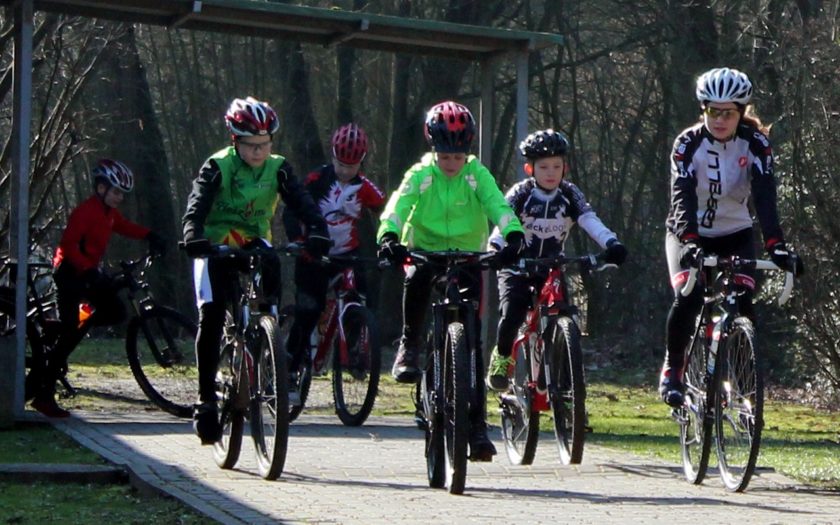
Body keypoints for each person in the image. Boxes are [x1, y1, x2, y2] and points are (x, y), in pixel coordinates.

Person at [376, 100, 526, 461]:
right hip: (426, 250)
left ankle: (476, 427)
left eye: (458, 157)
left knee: (471, 341)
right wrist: (389, 235)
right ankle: (410, 344)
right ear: (433, 149)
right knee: (416, 279)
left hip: (467, 255)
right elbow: (398, 204)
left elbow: (497, 205)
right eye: (445, 157)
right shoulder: (421, 173)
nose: (451, 164)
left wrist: (514, 234)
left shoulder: (476, 173)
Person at [182, 96, 330, 444]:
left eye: (264, 145)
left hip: (254, 242)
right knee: (213, 315)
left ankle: (268, 342)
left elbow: (301, 201)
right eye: (251, 146)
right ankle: (205, 399)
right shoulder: (218, 166)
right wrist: (192, 233)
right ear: (235, 141)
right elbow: (197, 203)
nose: (259, 152)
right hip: (216, 245)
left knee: (273, 268)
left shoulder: (278, 167)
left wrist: (318, 229)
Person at [661, 67, 804, 407]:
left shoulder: (755, 143)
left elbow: (765, 197)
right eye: (713, 111)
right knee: (689, 297)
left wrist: (777, 245)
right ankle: (674, 368)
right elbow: (681, 197)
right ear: (703, 110)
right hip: (688, 233)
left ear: (741, 112)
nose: (720, 120)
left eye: (728, 113)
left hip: (735, 232)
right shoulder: (687, 144)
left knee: (742, 305)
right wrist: (691, 241)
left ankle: (744, 393)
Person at [485, 129, 628, 392]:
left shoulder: (570, 194)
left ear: (565, 167)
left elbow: (589, 220)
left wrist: (611, 243)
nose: (550, 172)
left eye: (556, 166)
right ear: (530, 168)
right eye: (543, 167)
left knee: (564, 314)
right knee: (512, 313)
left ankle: (567, 387)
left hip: (552, 265)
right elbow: (503, 222)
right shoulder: (521, 193)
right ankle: (502, 357)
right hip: (517, 266)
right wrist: (496, 248)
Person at [27, 159, 167, 418]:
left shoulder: (108, 213)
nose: (119, 198)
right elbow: (68, 245)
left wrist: (149, 235)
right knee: (71, 331)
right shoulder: (86, 211)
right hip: (69, 272)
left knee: (113, 311)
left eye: (122, 194)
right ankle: (43, 395)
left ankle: (73, 324)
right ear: (101, 188)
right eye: (116, 192)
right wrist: (87, 268)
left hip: (88, 273)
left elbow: (123, 226)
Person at [283, 123, 386, 385]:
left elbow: (387, 211)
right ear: (332, 156)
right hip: (313, 255)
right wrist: (299, 239)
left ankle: (356, 347)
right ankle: (290, 366)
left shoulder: (364, 187)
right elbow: (292, 209)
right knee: (310, 309)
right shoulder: (317, 180)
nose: (344, 171)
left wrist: (391, 238)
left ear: (361, 163)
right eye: (340, 164)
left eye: (351, 167)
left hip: (347, 253)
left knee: (364, 294)